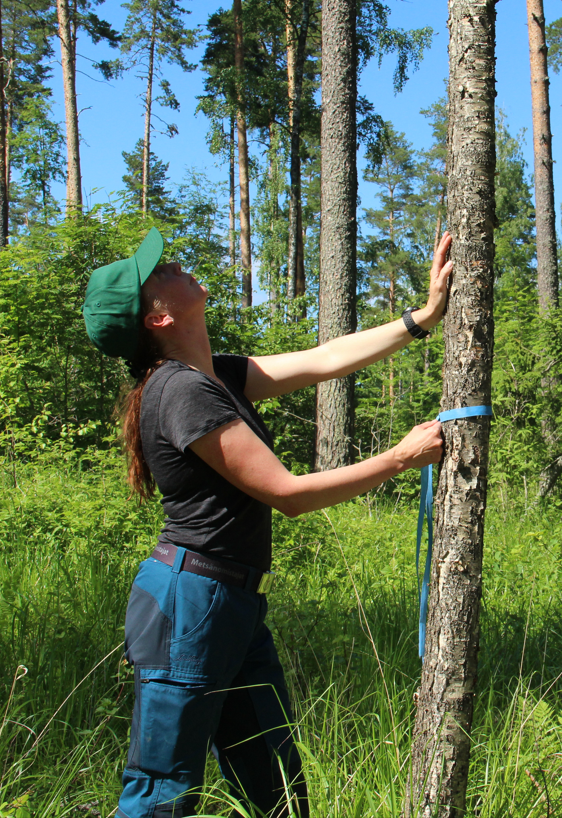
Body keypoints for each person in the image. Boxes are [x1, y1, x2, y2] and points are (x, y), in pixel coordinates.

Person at [81, 227, 453, 818]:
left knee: (274, 783)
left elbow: (324, 360)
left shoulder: (216, 377)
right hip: (188, 602)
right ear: (156, 319)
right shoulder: (181, 393)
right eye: (158, 273)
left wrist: (423, 319)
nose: (172, 263)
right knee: (162, 791)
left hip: (229, 603)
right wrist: (398, 459)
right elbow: (288, 494)